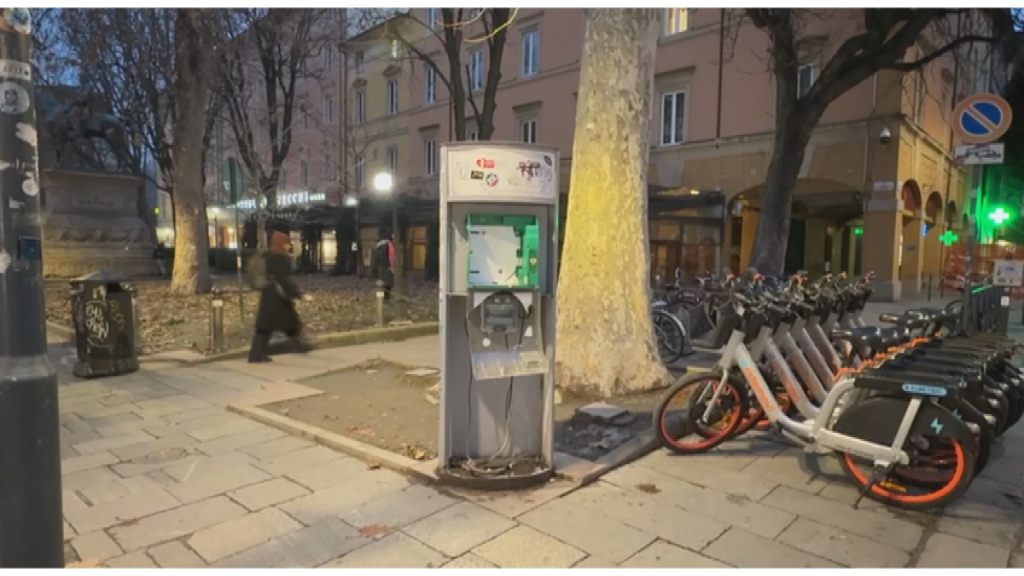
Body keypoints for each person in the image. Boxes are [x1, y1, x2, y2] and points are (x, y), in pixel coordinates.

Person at [248, 230, 311, 363]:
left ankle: (256, 354)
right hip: (278, 297)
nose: (288, 245)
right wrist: (296, 293)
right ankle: (299, 346)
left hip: (269, 295)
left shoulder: (267, 256)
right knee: (289, 322)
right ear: (281, 244)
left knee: (266, 327)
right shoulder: (279, 258)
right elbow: (283, 279)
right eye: (286, 243)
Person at [372, 231, 395, 301]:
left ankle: (385, 299)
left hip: (383, 268)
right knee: (385, 285)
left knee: (386, 284)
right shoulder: (385, 245)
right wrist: (389, 264)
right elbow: (382, 257)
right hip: (384, 268)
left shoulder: (381, 245)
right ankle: (385, 299)